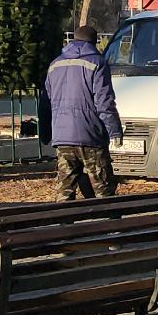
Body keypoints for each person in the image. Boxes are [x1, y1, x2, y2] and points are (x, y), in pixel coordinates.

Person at [44, 25, 123, 201]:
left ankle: (65, 226)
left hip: (62, 136)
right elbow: (104, 102)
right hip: (91, 135)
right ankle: (111, 226)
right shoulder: (97, 62)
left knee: (64, 192)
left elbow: (46, 102)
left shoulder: (55, 64)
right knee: (104, 190)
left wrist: (46, 132)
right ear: (94, 42)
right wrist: (114, 130)